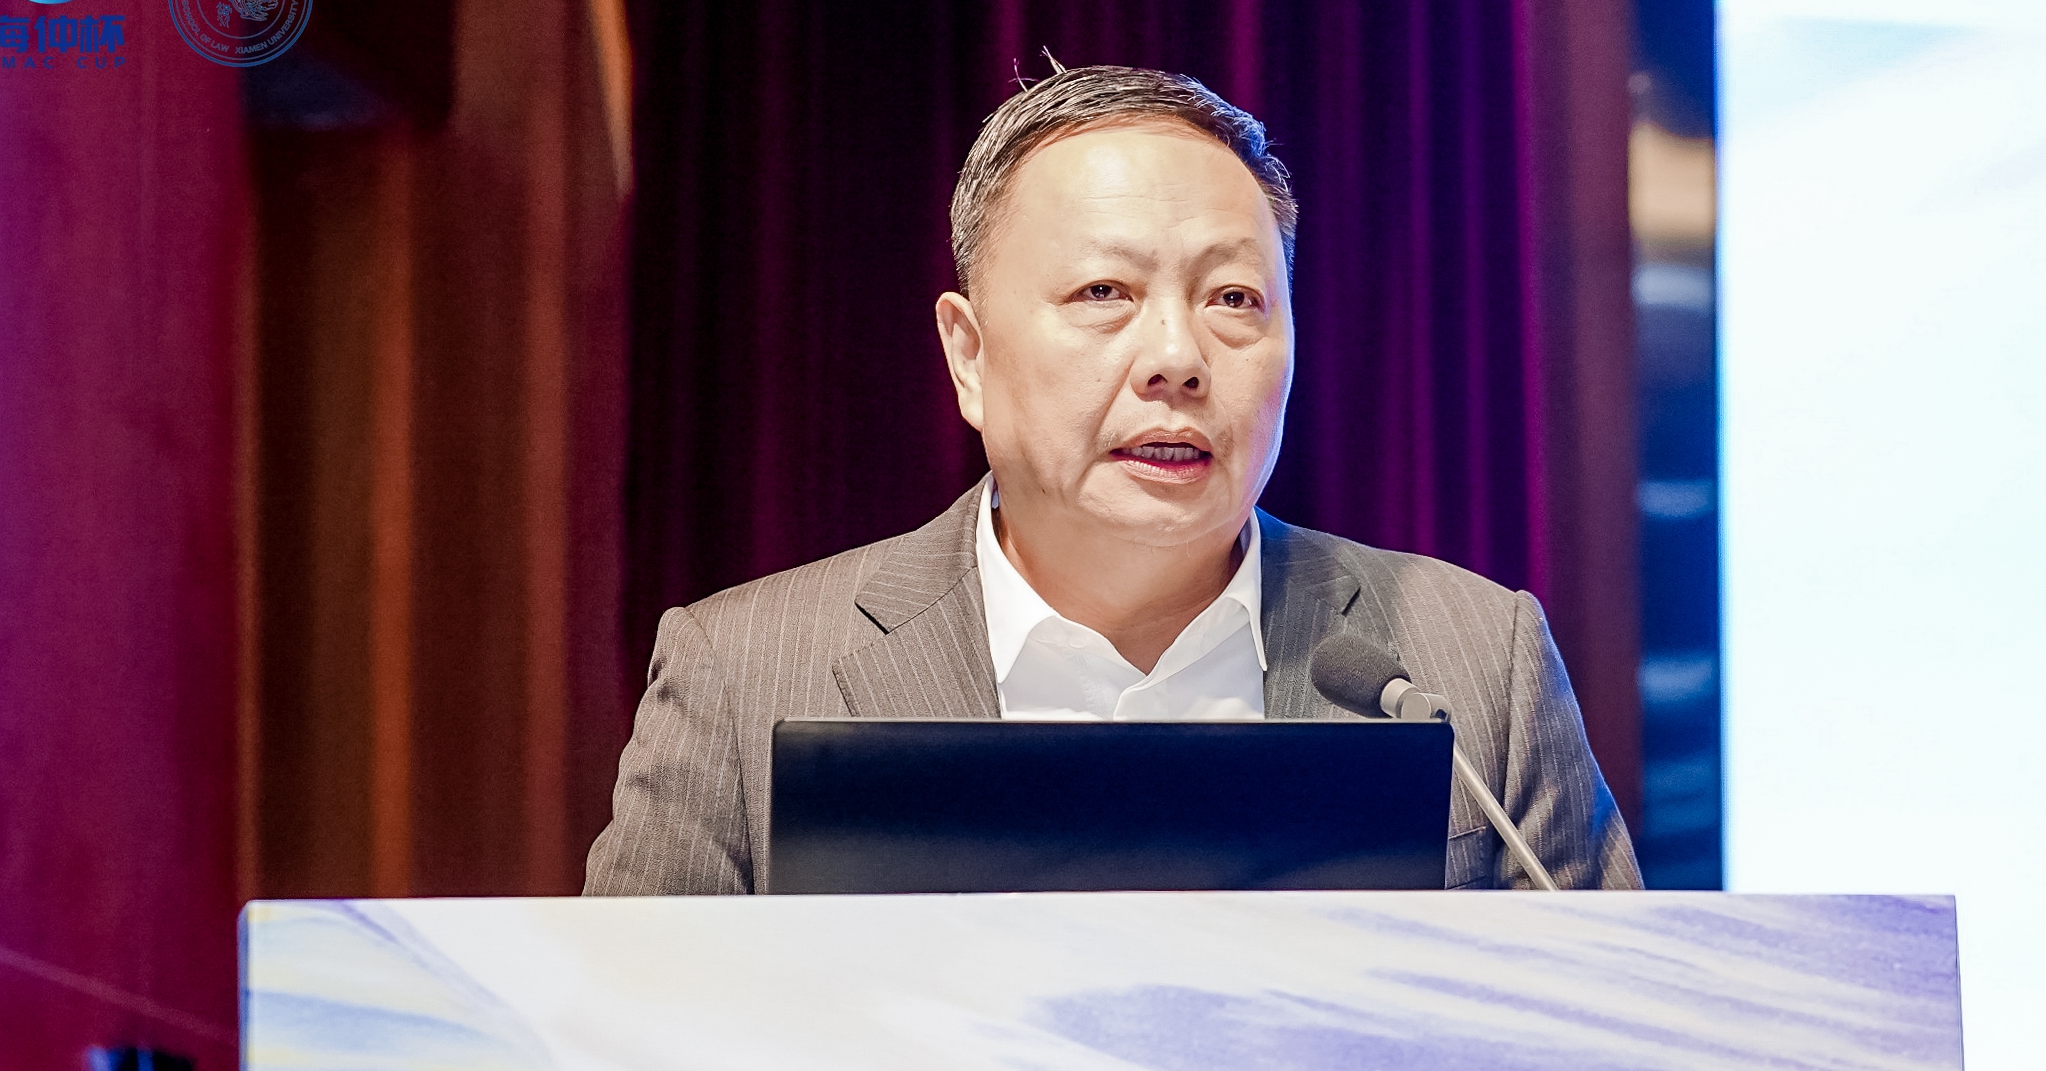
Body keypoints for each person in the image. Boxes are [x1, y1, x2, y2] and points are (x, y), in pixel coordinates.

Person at [585, 65, 1640, 895]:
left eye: (1233, 299)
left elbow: (1614, 1054)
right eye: (1104, 292)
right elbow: (619, 1067)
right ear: (968, 355)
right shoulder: (746, 676)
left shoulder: (1475, 659)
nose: (1177, 358)